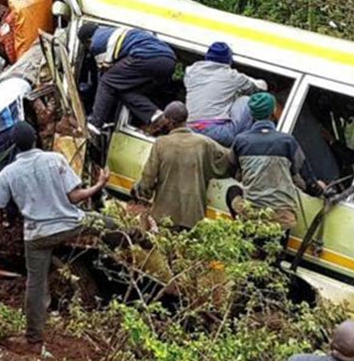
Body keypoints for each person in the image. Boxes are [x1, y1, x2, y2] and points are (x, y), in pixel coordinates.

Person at [0, 121, 109, 347]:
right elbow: (75, 197)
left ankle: (34, 337)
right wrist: (99, 185)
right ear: (36, 138)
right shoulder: (54, 159)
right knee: (110, 225)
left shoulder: (8, 173)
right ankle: (138, 241)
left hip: (37, 236)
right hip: (71, 224)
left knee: (36, 284)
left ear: (14, 146)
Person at [230, 93, 325, 230]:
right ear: (273, 111)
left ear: (251, 113)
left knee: (232, 191)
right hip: (282, 220)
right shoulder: (287, 142)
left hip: (252, 215)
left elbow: (232, 170)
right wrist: (318, 188)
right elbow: (307, 179)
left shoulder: (241, 141)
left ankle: (240, 229)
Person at [133, 101, 233, 229]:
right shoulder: (203, 143)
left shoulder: (161, 143)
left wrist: (143, 192)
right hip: (193, 216)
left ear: (170, 122)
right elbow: (228, 158)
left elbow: (148, 177)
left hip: (165, 215)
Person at [78, 23, 176, 135]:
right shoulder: (111, 32)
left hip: (147, 57)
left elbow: (103, 74)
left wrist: (95, 110)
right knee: (123, 89)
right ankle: (154, 115)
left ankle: (96, 123)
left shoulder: (96, 43)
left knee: (107, 81)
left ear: (87, 41)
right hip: (168, 61)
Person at [184, 41, 268, 147]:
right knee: (246, 101)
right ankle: (242, 147)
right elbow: (256, 89)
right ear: (228, 61)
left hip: (189, 130)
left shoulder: (191, 72)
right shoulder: (232, 76)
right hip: (216, 133)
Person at [0, 76, 32, 171]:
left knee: (1, 163)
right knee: (17, 159)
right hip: (8, 123)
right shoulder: (24, 86)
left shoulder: (0, 89)